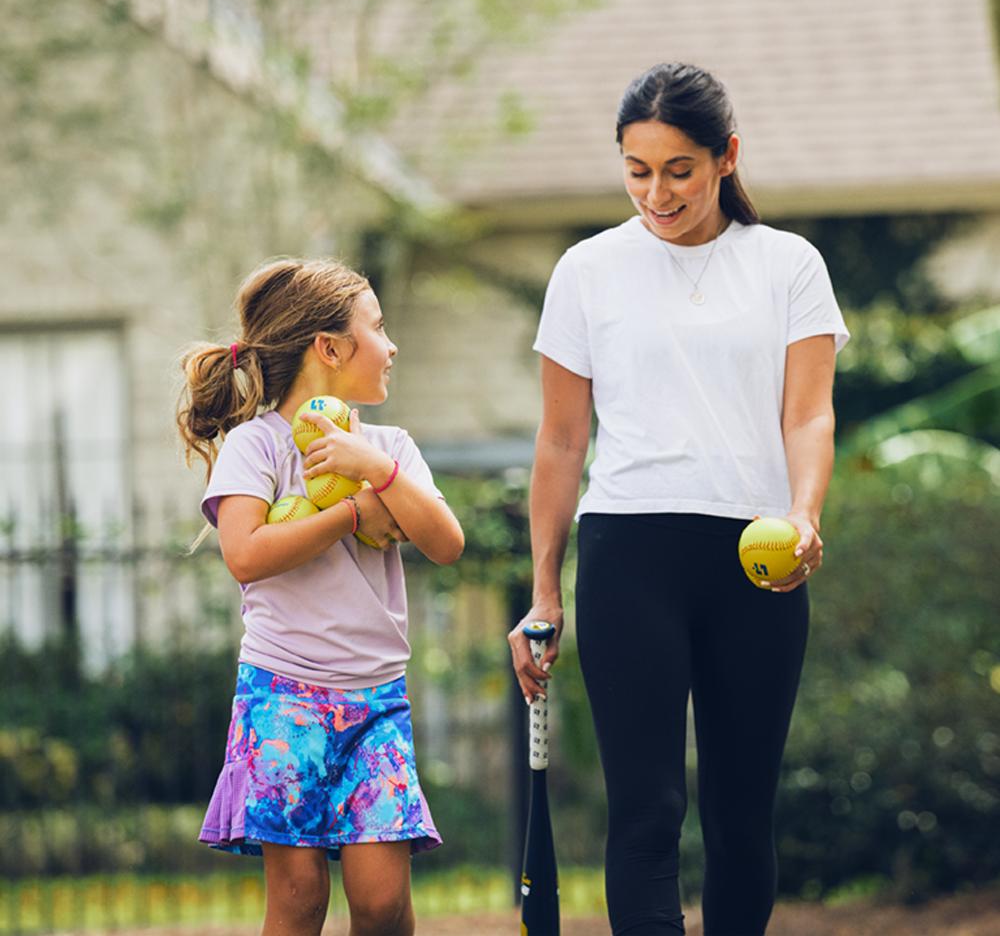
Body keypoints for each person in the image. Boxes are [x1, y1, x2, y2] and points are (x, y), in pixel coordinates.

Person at [508, 62, 850, 935]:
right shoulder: (586, 270)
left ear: (727, 157)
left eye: (679, 170)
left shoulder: (788, 266)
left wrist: (806, 515)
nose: (656, 192)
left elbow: (808, 413)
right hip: (630, 554)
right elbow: (560, 442)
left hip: (759, 559)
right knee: (649, 814)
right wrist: (545, 589)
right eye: (636, 169)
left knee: (741, 819)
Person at [176, 257, 464, 936]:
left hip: (376, 700)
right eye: (379, 328)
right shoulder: (258, 447)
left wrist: (378, 471)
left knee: (381, 902)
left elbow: (446, 543)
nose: (391, 347)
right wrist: (352, 515)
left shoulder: (391, 448)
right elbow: (245, 555)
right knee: (301, 898)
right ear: (329, 348)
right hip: (282, 696)